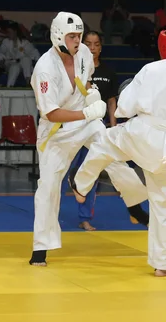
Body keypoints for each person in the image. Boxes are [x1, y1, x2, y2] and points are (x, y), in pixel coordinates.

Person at [72, 25, 166, 277]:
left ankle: (81, 185)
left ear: (164, 46)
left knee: (104, 141)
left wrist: (123, 114)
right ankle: (164, 264)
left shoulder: (151, 69)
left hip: (143, 131)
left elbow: (124, 106)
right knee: (164, 205)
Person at [29, 12, 149, 267]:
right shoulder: (44, 68)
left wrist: (92, 93)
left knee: (111, 150)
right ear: (58, 35)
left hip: (85, 121)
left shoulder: (83, 52)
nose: (77, 41)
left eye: (79, 35)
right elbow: (49, 112)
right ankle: (41, 248)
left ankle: (135, 205)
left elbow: (87, 78)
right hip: (56, 131)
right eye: (72, 36)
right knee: (48, 188)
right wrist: (85, 112)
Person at [61, 31, 119, 231]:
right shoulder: (74, 69)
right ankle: (51, 214)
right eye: (88, 43)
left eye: (96, 44)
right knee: (63, 171)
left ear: (100, 47)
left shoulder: (109, 73)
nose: (92, 47)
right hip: (73, 125)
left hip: (96, 126)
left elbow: (111, 102)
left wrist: (113, 126)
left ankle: (85, 217)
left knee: (91, 171)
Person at [0, 23, 41, 87]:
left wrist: (39, 63)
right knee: (15, 67)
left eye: (10, 32)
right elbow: (0, 51)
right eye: (7, 32)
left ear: (15, 32)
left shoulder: (24, 42)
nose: (8, 34)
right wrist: (1, 59)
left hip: (23, 66)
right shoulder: (6, 42)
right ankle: (9, 86)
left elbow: (34, 52)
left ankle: (28, 80)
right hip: (10, 64)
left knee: (26, 59)